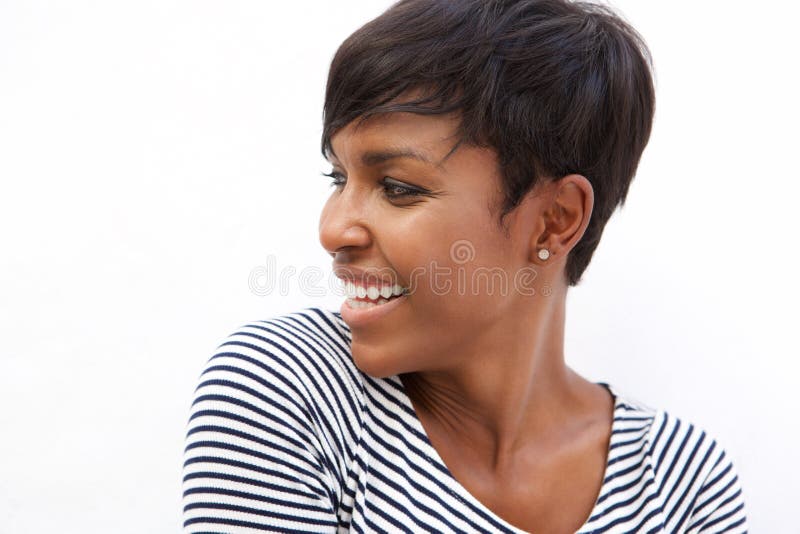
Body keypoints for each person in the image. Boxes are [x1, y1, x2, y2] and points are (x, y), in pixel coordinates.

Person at [182, 0, 748, 532]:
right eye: (338, 177)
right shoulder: (288, 393)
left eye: (398, 187)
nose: (332, 230)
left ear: (554, 220)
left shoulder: (684, 481)